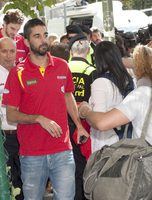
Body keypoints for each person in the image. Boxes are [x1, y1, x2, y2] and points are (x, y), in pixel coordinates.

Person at [2, 18, 89, 200]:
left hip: (62, 150)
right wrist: (38, 118)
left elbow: (68, 96)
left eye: (45, 35)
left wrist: (79, 125)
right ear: (26, 41)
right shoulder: (17, 72)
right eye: (37, 36)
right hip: (32, 153)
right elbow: (11, 114)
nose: (43, 40)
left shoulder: (62, 66)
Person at [86, 41, 134, 152]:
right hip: (127, 139)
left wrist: (86, 111)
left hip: (106, 145)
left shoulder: (100, 83)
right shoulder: (129, 78)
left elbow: (98, 119)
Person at [0, 37, 23, 200]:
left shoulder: (21, 73)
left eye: (12, 51)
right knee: (8, 181)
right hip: (3, 136)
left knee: (24, 179)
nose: (8, 55)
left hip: (23, 134)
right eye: (4, 51)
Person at [68, 35, 97, 200]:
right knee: (85, 165)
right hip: (85, 124)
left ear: (71, 51)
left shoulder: (63, 68)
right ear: (87, 51)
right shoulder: (92, 71)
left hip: (65, 122)